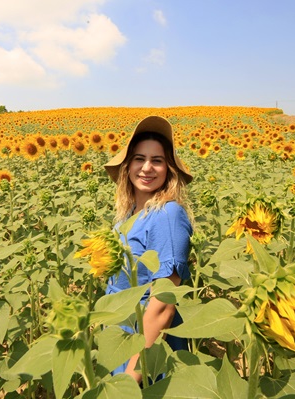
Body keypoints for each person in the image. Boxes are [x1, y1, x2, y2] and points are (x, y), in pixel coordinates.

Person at [103, 115, 194, 384]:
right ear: (128, 165)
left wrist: (132, 376)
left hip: (146, 346)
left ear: (169, 169)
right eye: (139, 159)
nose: (147, 168)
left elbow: (163, 305)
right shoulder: (129, 214)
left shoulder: (168, 214)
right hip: (123, 336)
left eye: (157, 161)